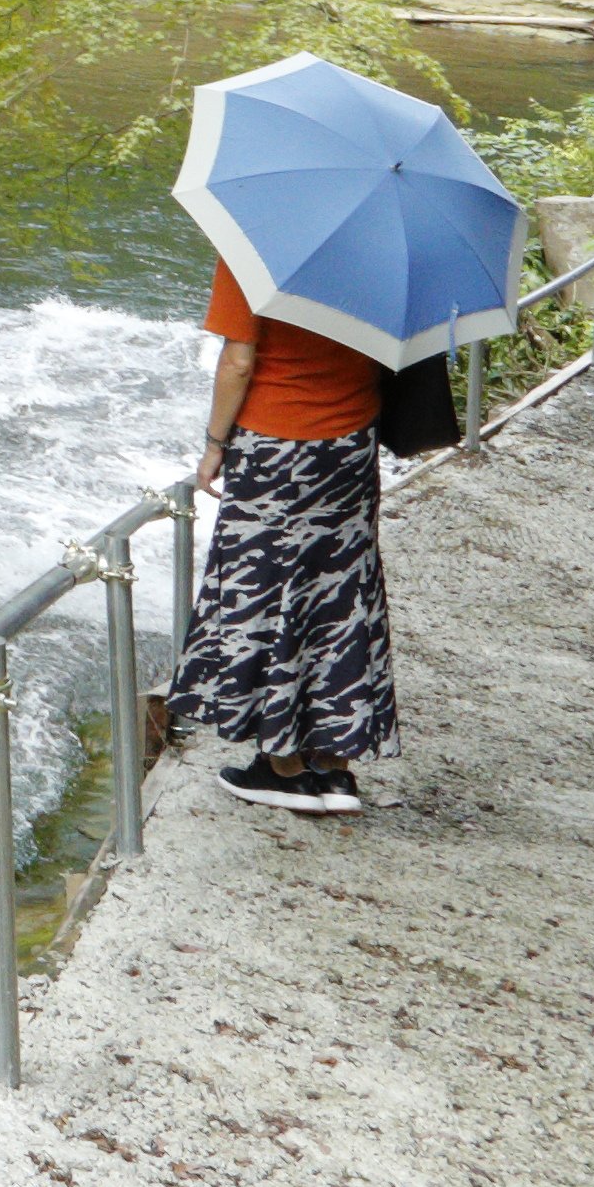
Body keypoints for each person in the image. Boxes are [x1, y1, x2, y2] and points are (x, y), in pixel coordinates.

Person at [172, 260, 393, 813]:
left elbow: (238, 363)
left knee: (266, 592)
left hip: (274, 447)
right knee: (341, 592)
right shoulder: (382, 249)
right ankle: (335, 768)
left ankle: (283, 767)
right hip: (351, 443)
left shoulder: (253, 251)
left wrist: (214, 444)